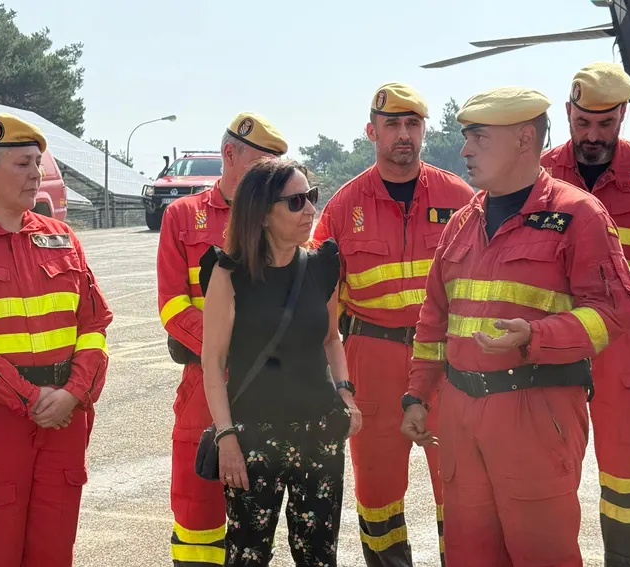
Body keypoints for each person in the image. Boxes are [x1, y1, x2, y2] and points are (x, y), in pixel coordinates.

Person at [401, 87, 630, 567]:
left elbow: (620, 310)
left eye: (478, 137)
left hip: (535, 413)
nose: (465, 150)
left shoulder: (579, 215)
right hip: (459, 414)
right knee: (468, 554)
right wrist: (417, 395)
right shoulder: (462, 222)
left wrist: (536, 337)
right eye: (465, 137)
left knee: (542, 553)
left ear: (523, 138)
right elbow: (433, 319)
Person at [0, 112, 113, 567]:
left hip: (65, 419)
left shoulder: (63, 238)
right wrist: (31, 398)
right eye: (22, 164)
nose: (36, 174)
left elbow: (93, 327)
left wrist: (74, 393)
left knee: (53, 552)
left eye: (37, 162)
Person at [312, 82, 473, 567]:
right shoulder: (343, 206)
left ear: (423, 130)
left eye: (412, 124)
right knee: (378, 495)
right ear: (372, 132)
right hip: (372, 363)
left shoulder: (461, 197)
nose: (403, 134)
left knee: (461, 486)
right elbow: (319, 298)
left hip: (447, 365)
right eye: (392, 125)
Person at [541, 62, 630, 567]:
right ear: (568, 115)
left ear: (622, 116)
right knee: (547, 471)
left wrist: (628, 290)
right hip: (554, 343)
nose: (593, 136)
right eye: (583, 123)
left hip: (624, 345)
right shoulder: (539, 174)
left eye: (605, 124)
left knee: (627, 474)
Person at [201, 157, 362, 567]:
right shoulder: (228, 273)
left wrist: (345, 393)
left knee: (319, 556)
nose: (310, 209)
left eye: (312, 197)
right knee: (248, 556)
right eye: (296, 202)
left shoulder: (323, 264)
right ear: (263, 213)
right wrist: (227, 439)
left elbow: (331, 337)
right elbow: (212, 363)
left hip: (319, 434)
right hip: (252, 439)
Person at [157, 111, 289, 566]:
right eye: (261, 167)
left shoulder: (283, 216)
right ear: (230, 154)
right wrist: (228, 349)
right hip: (202, 386)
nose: (270, 181)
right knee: (198, 519)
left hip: (270, 389)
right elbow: (173, 306)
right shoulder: (182, 216)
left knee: (257, 519)